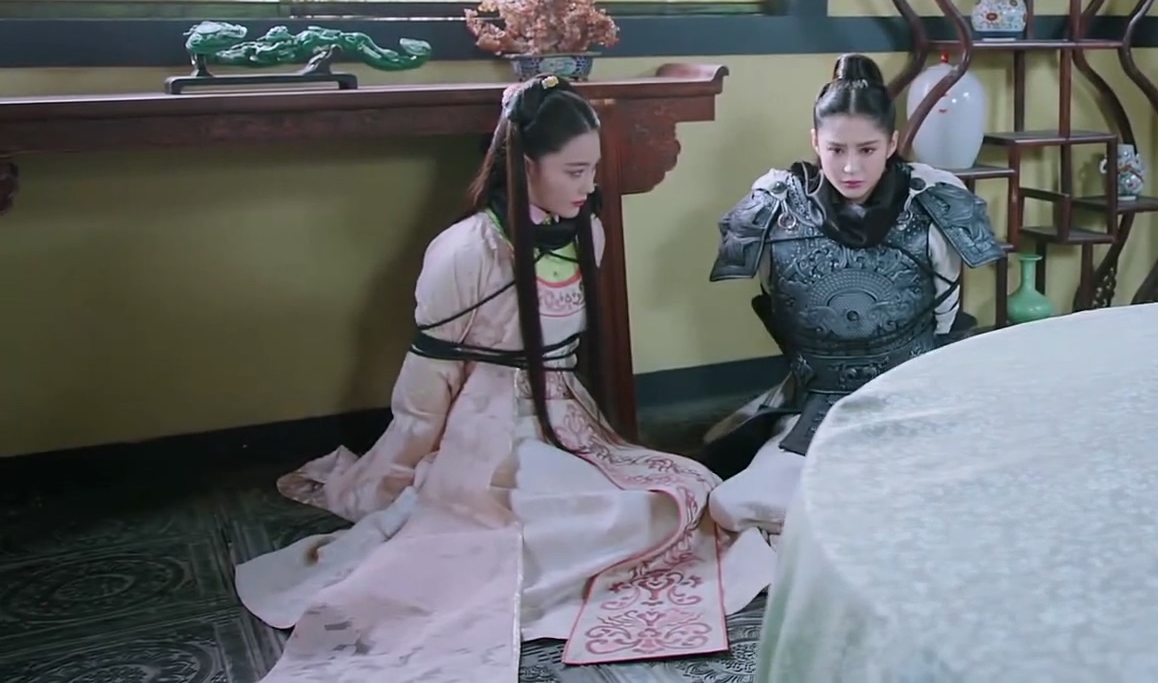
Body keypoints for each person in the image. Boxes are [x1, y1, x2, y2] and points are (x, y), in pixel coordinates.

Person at [235, 76, 775, 680]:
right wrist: (396, 470)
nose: (589, 186)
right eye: (575, 171)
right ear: (524, 166)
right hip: (487, 431)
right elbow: (428, 383)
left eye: (593, 171)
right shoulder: (465, 252)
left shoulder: (587, 231)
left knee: (689, 491)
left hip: (564, 415)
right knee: (536, 523)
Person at [702, 54, 1004, 538]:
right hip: (817, 401)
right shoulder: (776, 203)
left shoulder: (933, 201)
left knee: (955, 496)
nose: (850, 167)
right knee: (737, 505)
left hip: (911, 397)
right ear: (814, 142)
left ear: (892, 143)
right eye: (836, 149)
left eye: (867, 149)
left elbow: (946, 321)